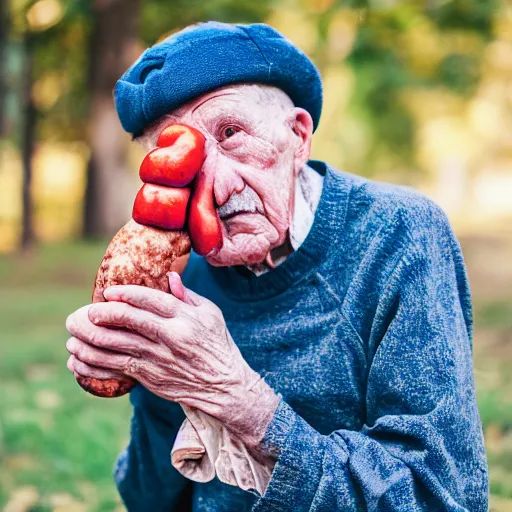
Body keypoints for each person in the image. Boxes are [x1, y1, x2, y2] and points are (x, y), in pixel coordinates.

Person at [64, 21, 489, 511]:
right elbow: (147, 498)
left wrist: (238, 397)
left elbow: (438, 497)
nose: (217, 187)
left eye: (231, 134)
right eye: (177, 158)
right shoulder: (183, 273)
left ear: (298, 136)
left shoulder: (399, 236)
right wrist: (157, 381)